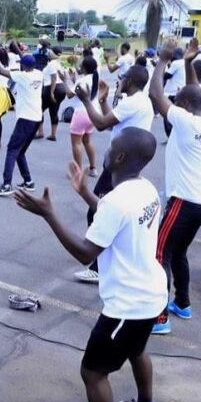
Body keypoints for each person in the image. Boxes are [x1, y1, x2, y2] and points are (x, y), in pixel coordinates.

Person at [15, 128, 167, 402]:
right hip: (153, 293)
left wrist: (48, 214)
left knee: (93, 373)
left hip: (129, 304)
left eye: (111, 146)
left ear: (120, 157)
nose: (107, 148)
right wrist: (86, 193)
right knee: (137, 348)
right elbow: (117, 219)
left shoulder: (117, 200)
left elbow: (87, 252)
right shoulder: (145, 189)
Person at [148, 39, 201, 335]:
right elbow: (195, 91)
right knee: (179, 254)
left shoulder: (184, 121)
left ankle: (159, 318)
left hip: (183, 202)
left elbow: (155, 93)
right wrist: (188, 62)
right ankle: (183, 304)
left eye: (178, 100)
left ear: (185, 105)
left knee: (158, 254)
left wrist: (164, 59)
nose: (174, 102)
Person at [71, 64, 154, 284]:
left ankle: (99, 265)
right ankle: (105, 260)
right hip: (125, 160)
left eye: (123, 77)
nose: (120, 80)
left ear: (131, 81)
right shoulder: (137, 101)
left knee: (98, 209)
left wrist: (86, 100)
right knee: (101, 208)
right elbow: (111, 123)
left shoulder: (134, 102)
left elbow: (99, 124)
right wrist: (102, 100)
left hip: (121, 163)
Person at [0, 47, 44, 196]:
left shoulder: (23, 76)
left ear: (24, 66)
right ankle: (28, 181)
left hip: (26, 119)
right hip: (37, 118)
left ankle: (6, 185)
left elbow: (0, 71)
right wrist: (20, 52)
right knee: (20, 152)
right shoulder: (39, 74)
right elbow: (27, 62)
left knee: (12, 150)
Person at [63, 57, 101, 176]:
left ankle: (77, 172)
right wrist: (74, 80)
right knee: (87, 141)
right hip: (93, 113)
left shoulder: (83, 80)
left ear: (84, 68)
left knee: (76, 143)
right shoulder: (96, 78)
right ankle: (92, 168)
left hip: (81, 113)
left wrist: (64, 80)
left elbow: (70, 95)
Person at [39, 48, 66, 141]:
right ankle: (53, 134)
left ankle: (40, 132)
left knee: (39, 109)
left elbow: (53, 78)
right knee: (54, 110)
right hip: (61, 88)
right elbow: (63, 76)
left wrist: (51, 92)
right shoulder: (59, 64)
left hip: (51, 87)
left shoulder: (51, 64)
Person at [162, 48, 186, 137]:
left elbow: (167, 75)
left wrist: (163, 66)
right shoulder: (184, 62)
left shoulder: (176, 63)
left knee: (168, 116)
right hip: (181, 91)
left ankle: (171, 136)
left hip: (172, 93)